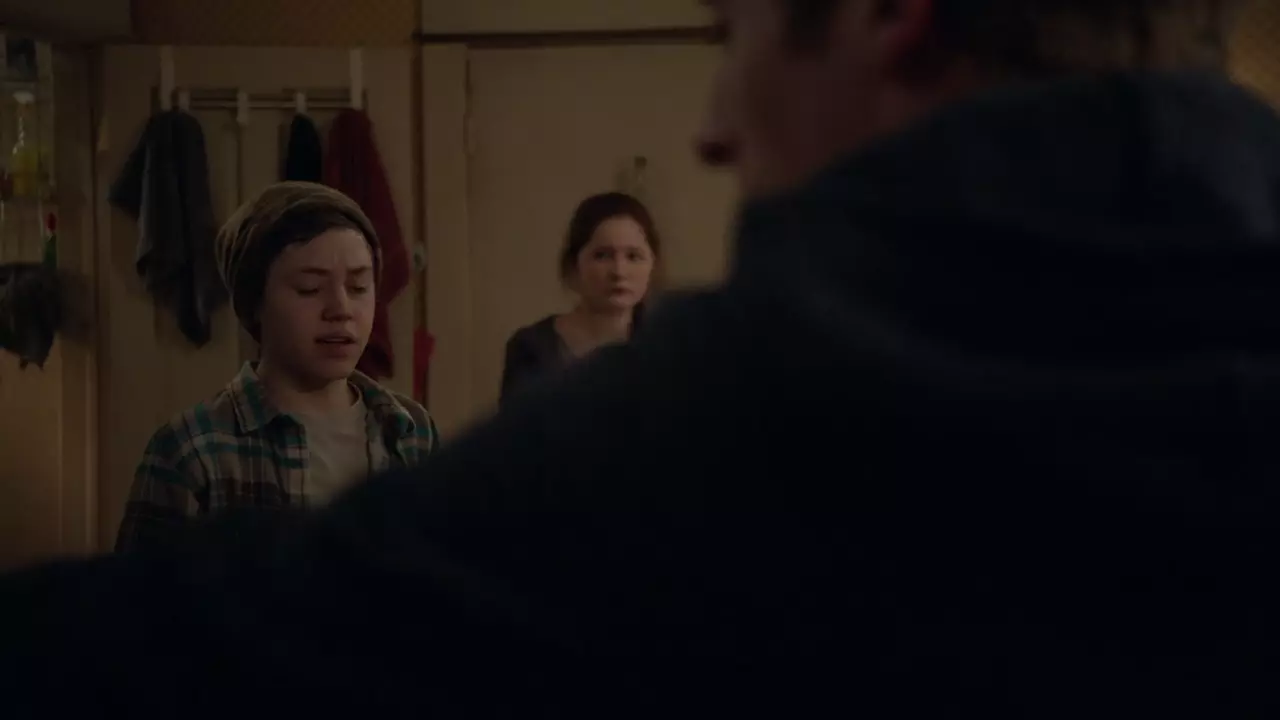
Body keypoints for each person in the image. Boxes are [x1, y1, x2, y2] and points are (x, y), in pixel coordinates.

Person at [2, 0, 1276, 716]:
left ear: (888, 18)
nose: (713, 131)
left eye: (734, 37)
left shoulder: (742, 419)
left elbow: (192, 647)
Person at [113, 181, 437, 553]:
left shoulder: (411, 431)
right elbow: (139, 590)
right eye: (309, 288)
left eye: (359, 287)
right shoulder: (191, 451)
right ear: (254, 303)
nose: (341, 309)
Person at [499, 191, 659, 406]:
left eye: (633, 256)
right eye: (602, 255)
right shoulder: (532, 347)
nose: (619, 271)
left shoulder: (667, 346)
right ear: (574, 265)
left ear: (652, 265)